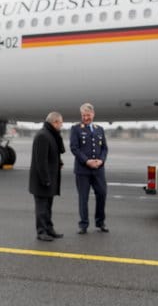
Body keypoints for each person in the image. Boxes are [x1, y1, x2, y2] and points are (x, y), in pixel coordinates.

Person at [70, 103, 109, 234]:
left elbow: (104, 148)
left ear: (93, 114)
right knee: (83, 198)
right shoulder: (76, 129)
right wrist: (87, 161)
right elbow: (74, 148)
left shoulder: (100, 129)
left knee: (102, 195)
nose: (86, 117)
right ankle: (83, 225)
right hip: (83, 170)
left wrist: (101, 160)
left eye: (88, 115)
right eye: (84, 115)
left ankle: (100, 222)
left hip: (98, 169)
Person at [29, 112, 66, 241]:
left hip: (50, 179)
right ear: (55, 122)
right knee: (41, 208)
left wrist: (59, 162)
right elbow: (41, 161)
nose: (61, 125)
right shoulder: (43, 136)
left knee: (48, 207)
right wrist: (46, 180)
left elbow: (52, 154)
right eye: (61, 123)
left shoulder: (51, 135)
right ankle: (41, 232)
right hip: (42, 181)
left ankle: (49, 229)